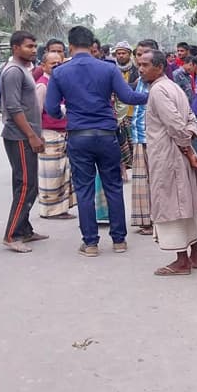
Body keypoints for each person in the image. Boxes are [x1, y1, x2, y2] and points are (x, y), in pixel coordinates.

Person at [45, 26, 148, 257]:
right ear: (93, 46)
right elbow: (128, 97)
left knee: (84, 190)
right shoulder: (108, 69)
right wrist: (155, 93)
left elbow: (51, 109)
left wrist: (66, 113)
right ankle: (119, 240)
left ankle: (90, 243)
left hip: (79, 136)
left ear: (69, 46)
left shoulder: (60, 72)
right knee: (113, 185)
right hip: (106, 135)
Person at [138, 49, 197, 275]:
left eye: (145, 65)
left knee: (172, 206)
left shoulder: (159, 90)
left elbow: (174, 124)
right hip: (179, 152)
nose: (140, 69)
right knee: (186, 203)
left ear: (159, 67)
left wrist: (186, 148)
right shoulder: (173, 86)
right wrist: (188, 142)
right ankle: (195, 254)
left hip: (169, 155)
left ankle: (182, 260)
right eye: (139, 64)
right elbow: (190, 119)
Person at [0, 31, 47, 253]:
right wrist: (31, 135)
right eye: (29, 46)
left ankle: (24, 229)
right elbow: (13, 107)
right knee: (26, 185)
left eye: (34, 46)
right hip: (18, 136)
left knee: (29, 185)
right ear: (15, 48)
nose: (33, 49)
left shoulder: (24, 70)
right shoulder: (13, 72)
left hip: (27, 134)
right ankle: (11, 235)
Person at [35, 51, 76, 220]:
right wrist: (37, 136)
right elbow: (36, 112)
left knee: (62, 173)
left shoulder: (58, 82)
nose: (57, 66)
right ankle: (50, 210)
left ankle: (61, 208)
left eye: (59, 63)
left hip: (63, 133)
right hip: (49, 134)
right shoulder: (42, 85)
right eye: (53, 64)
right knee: (50, 175)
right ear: (43, 66)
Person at [130, 39, 157, 237]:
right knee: (142, 181)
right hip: (139, 135)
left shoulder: (158, 82)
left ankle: (156, 219)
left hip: (153, 138)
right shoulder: (140, 80)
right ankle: (146, 220)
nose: (141, 62)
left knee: (154, 180)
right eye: (138, 56)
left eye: (145, 55)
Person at [112, 41, 139, 174]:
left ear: (129, 54)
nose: (121, 56)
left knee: (135, 142)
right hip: (118, 113)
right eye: (119, 53)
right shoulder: (111, 70)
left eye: (124, 53)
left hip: (134, 112)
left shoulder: (137, 70)